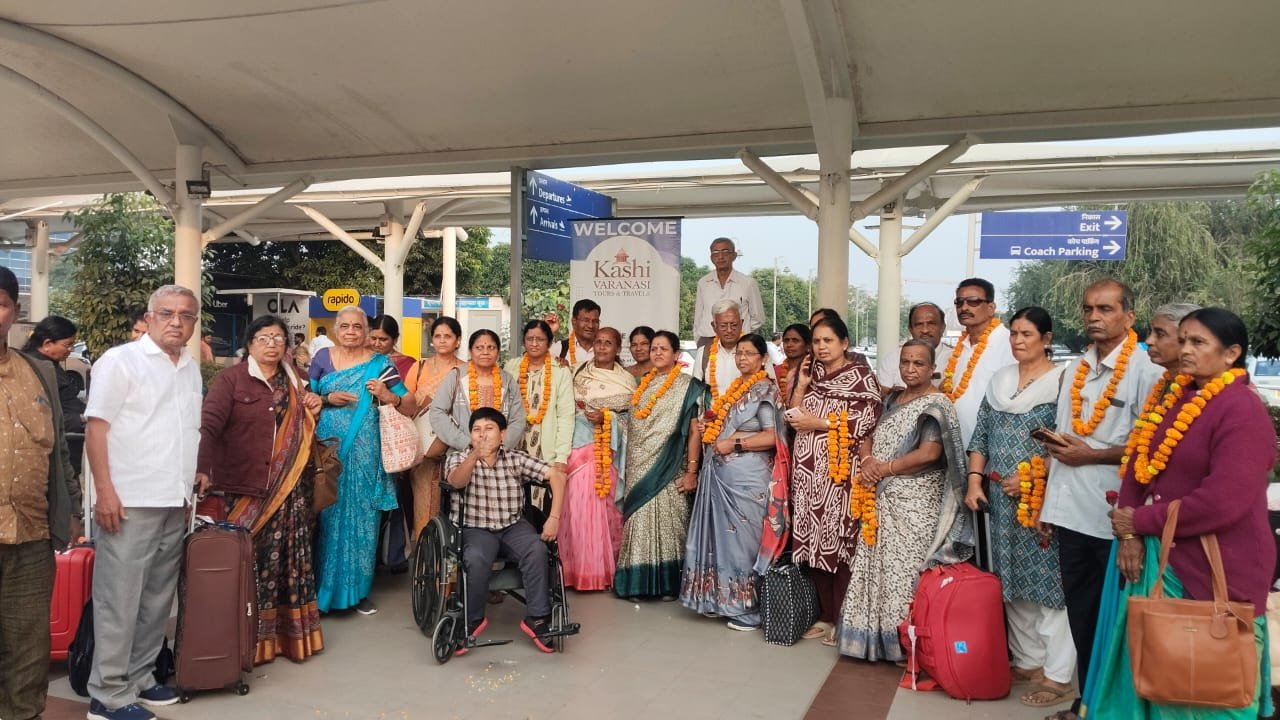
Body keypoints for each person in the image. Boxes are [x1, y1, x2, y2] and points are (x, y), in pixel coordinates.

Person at [1089, 307, 1277, 719]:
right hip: (1163, 558)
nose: (1185, 349)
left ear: (1231, 354)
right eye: (1184, 340)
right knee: (1159, 674)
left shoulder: (1241, 409)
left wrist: (1140, 521)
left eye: (1198, 342)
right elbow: (1140, 464)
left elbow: (1223, 502)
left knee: (1209, 686)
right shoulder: (1179, 395)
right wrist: (1130, 532)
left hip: (1216, 567)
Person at [1036, 279, 1161, 720]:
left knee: (1116, 621)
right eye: (1089, 309)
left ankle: (1112, 707)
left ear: (1129, 316)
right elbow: (1063, 439)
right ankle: (1086, 702)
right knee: (1083, 616)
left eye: (1105, 309)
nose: (1094, 317)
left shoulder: (1147, 371)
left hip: (1113, 519)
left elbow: (1151, 449)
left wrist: (1093, 455)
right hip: (1069, 511)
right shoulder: (1075, 368)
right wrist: (1046, 502)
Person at [84, 285, 205, 720]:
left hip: (174, 498)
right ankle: (107, 694)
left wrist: (191, 479)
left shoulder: (190, 368)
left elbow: (185, 430)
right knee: (119, 598)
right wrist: (104, 492)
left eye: (186, 315)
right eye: (167, 313)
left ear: (194, 323)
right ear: (149, 317)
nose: (177, 322)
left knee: (156, 598)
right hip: (128, 500)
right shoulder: (120, 362)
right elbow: (96, 429)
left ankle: (139, 677)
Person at [197, 315, 325, 664]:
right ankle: (244, 639)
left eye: (278, 338)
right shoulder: (231, 380)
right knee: (246, 561)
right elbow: (209, 425)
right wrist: (202, 468)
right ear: (250, 344)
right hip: (246, 488)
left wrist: (316, 404)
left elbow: (306, 424)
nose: (272, 344)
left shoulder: (296, 380)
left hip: (291, 489)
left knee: (290, 563)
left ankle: (288, 638)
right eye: (264, 338)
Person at [964, 307, 1074, 707]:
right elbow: (981, 435)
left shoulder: (1062, 383)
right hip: (998, 497)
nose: (1018, 341)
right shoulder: (1000, 380)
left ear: (1046, 339)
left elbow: (1066, 441)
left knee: (1048, 583)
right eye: (1013, 333)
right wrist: (975, 480)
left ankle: (1058, 674)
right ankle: (1028, 660)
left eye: (1027, 334)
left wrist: (1033, 476)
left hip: (1042, 498)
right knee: (1009, 578)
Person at [837, 340, 970, 660]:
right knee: (880, 570)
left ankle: (908, 647)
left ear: (932, 368)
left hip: (915, 501)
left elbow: (929, 453)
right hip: (880, 493)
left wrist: (884, 469)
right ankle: (875, 641)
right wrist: (868, 461)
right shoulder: (892, 399)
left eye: (919, 364)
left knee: (906, 572)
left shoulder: (937, 405)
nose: (910, 369)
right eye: (905, 362)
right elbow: (868, 436)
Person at [0, 266, 78, 720]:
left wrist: (70, 511)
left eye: (1, 304)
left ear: (15, 312)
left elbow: (59, 452)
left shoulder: (39, 372)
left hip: (31, 536)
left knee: (28, 650)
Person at [309, 306, 418, 615]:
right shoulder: (322, 359)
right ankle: (321, 594)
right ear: (335, 330)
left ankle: (356, 592)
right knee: (326, 518)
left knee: (364, 522)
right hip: (328, 455)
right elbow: (307, 399)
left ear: (367, 332)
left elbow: (410, 405)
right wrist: (328, 399)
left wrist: (388, 395)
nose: (351, 332)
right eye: (345, 326)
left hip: (367, 454)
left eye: (357, 326)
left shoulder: (380, 364)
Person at [784, 315, 881, 644]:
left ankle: (843, 617)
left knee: (839, 544)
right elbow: (793, 415)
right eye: (817, 341)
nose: (821, 347)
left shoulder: (861, 377)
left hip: (841, 474)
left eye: (828, 340)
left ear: (844, 343)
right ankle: (825, 616)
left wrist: (820, 424)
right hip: (808, 474)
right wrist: (801, 385)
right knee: (811, 541)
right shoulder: (812, 374)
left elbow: (866, 421)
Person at [444, 408, 568, 654]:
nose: (482, 435)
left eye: (489, 429)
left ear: (502, 434)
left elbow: (557, 476)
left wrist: (554, 518)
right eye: (476, 430)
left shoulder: (515, 459)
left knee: (536, 549)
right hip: (475, 528)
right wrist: (474, 456)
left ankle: (537, 618)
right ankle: (472, 619)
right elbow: (456, 482)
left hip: (512, 526)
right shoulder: (458, 458)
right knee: (476, 557)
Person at [681, 333, 781, 631]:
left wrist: (734, 444)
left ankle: (747, 609)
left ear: (764, 358)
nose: (742, 358)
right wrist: (712, 428)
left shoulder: (766, 391)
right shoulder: (737, 389)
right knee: (720, 540)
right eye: (739, 353)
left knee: (742, 543)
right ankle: (719, 599)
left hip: (747, 481)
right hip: (721, 475)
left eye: (749, 353)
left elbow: (773, 437)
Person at [615, 330, 707, 599]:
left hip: (671, 465)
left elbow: (694, 431)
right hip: (639, 465)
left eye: (663, 349)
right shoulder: (643, 385)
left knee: (671, 523)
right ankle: (636, 584)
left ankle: (669, 585)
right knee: (640, 521)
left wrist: (692, 472)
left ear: (676, 354)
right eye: (653, 348)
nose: (656, 353)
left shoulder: (689, 387)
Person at [562, 328, 636, 590]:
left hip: (610, 453)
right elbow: (564, 408)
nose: (602, 347)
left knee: (606, 510)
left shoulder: (627, 381)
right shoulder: (577, 373)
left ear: (618, 348)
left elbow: (633, 419)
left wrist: (608, 418)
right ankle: (576, 570)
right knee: (576, 509)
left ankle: (603, 570)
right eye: (599, 342)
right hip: (577, 447)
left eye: (608, 343)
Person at [402, 317, 466, 540]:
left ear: (457, 340)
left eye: (448, 336)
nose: (442, 340)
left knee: (456, 502)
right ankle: (426, 550)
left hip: (456, 445)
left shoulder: (465, 369)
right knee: (424, 501)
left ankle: (453, 552)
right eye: (438, 336)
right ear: (432, 340)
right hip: (424, 445)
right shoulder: (419, 368)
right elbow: (407, 402)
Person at [941, 278, 1016, 446]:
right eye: (959, 302)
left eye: (973, 301)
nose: (964, 308)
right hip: (955, 445)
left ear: (991, 308)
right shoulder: (961, 346)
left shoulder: (1008, 343)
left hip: (991, 448)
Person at [429, 329, 525, 454]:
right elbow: (437, 412)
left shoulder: (508, 381)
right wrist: (466, 443)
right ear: (470, 351)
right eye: (479, 348)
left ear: (498, 352)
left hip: (499, 455)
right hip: (462, 453)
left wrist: (501, 445)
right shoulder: (456, 376)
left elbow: (518, 419)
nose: (485, 352)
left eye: (491, 347)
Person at [504, 319, 575, 471]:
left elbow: (565, 416)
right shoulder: (511, 367)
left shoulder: (560, 371)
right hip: (512, 446)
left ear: (549, 343)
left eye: (540, 339)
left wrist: (562, 456)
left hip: (545, 450)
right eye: (530, 339)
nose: (534, 344)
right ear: (524, 342)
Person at [22, 316, 87, 471]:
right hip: (52, 455)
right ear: (47, 344)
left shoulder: (50, 365)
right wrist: (80, 420)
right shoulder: (36, 370)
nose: (71, 350)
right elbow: (39, 418)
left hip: (67, 447)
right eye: (67, 345)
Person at [693, 238, 764, 346]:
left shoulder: (748, 283)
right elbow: (698, 318)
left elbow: (758, 318)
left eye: (725, 252)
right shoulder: (703, 283)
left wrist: (741, 333)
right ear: (711, 257)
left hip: (739, 342)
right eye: (716, 253)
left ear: (734, 255)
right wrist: (699, 339)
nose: (720, 257)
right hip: (708, 340)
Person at [875, 302, 953, 392]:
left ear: (942, 327)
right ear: (910, 329)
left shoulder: (957, 358)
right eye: (919, 324)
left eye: (931, 324)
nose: (925, 330)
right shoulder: (893, 359)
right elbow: (883, 395)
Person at [550, 299, 600, 369]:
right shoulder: (559, 349)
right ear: (574, 321)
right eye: (586, 320)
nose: (591, 326)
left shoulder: (606, 351)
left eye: (595, 321)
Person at [776, 322, 811, 409]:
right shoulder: (775, 371)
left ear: (808, 345)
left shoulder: (811, 370)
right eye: (786, 340)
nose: (789, 345)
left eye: (795, 340)